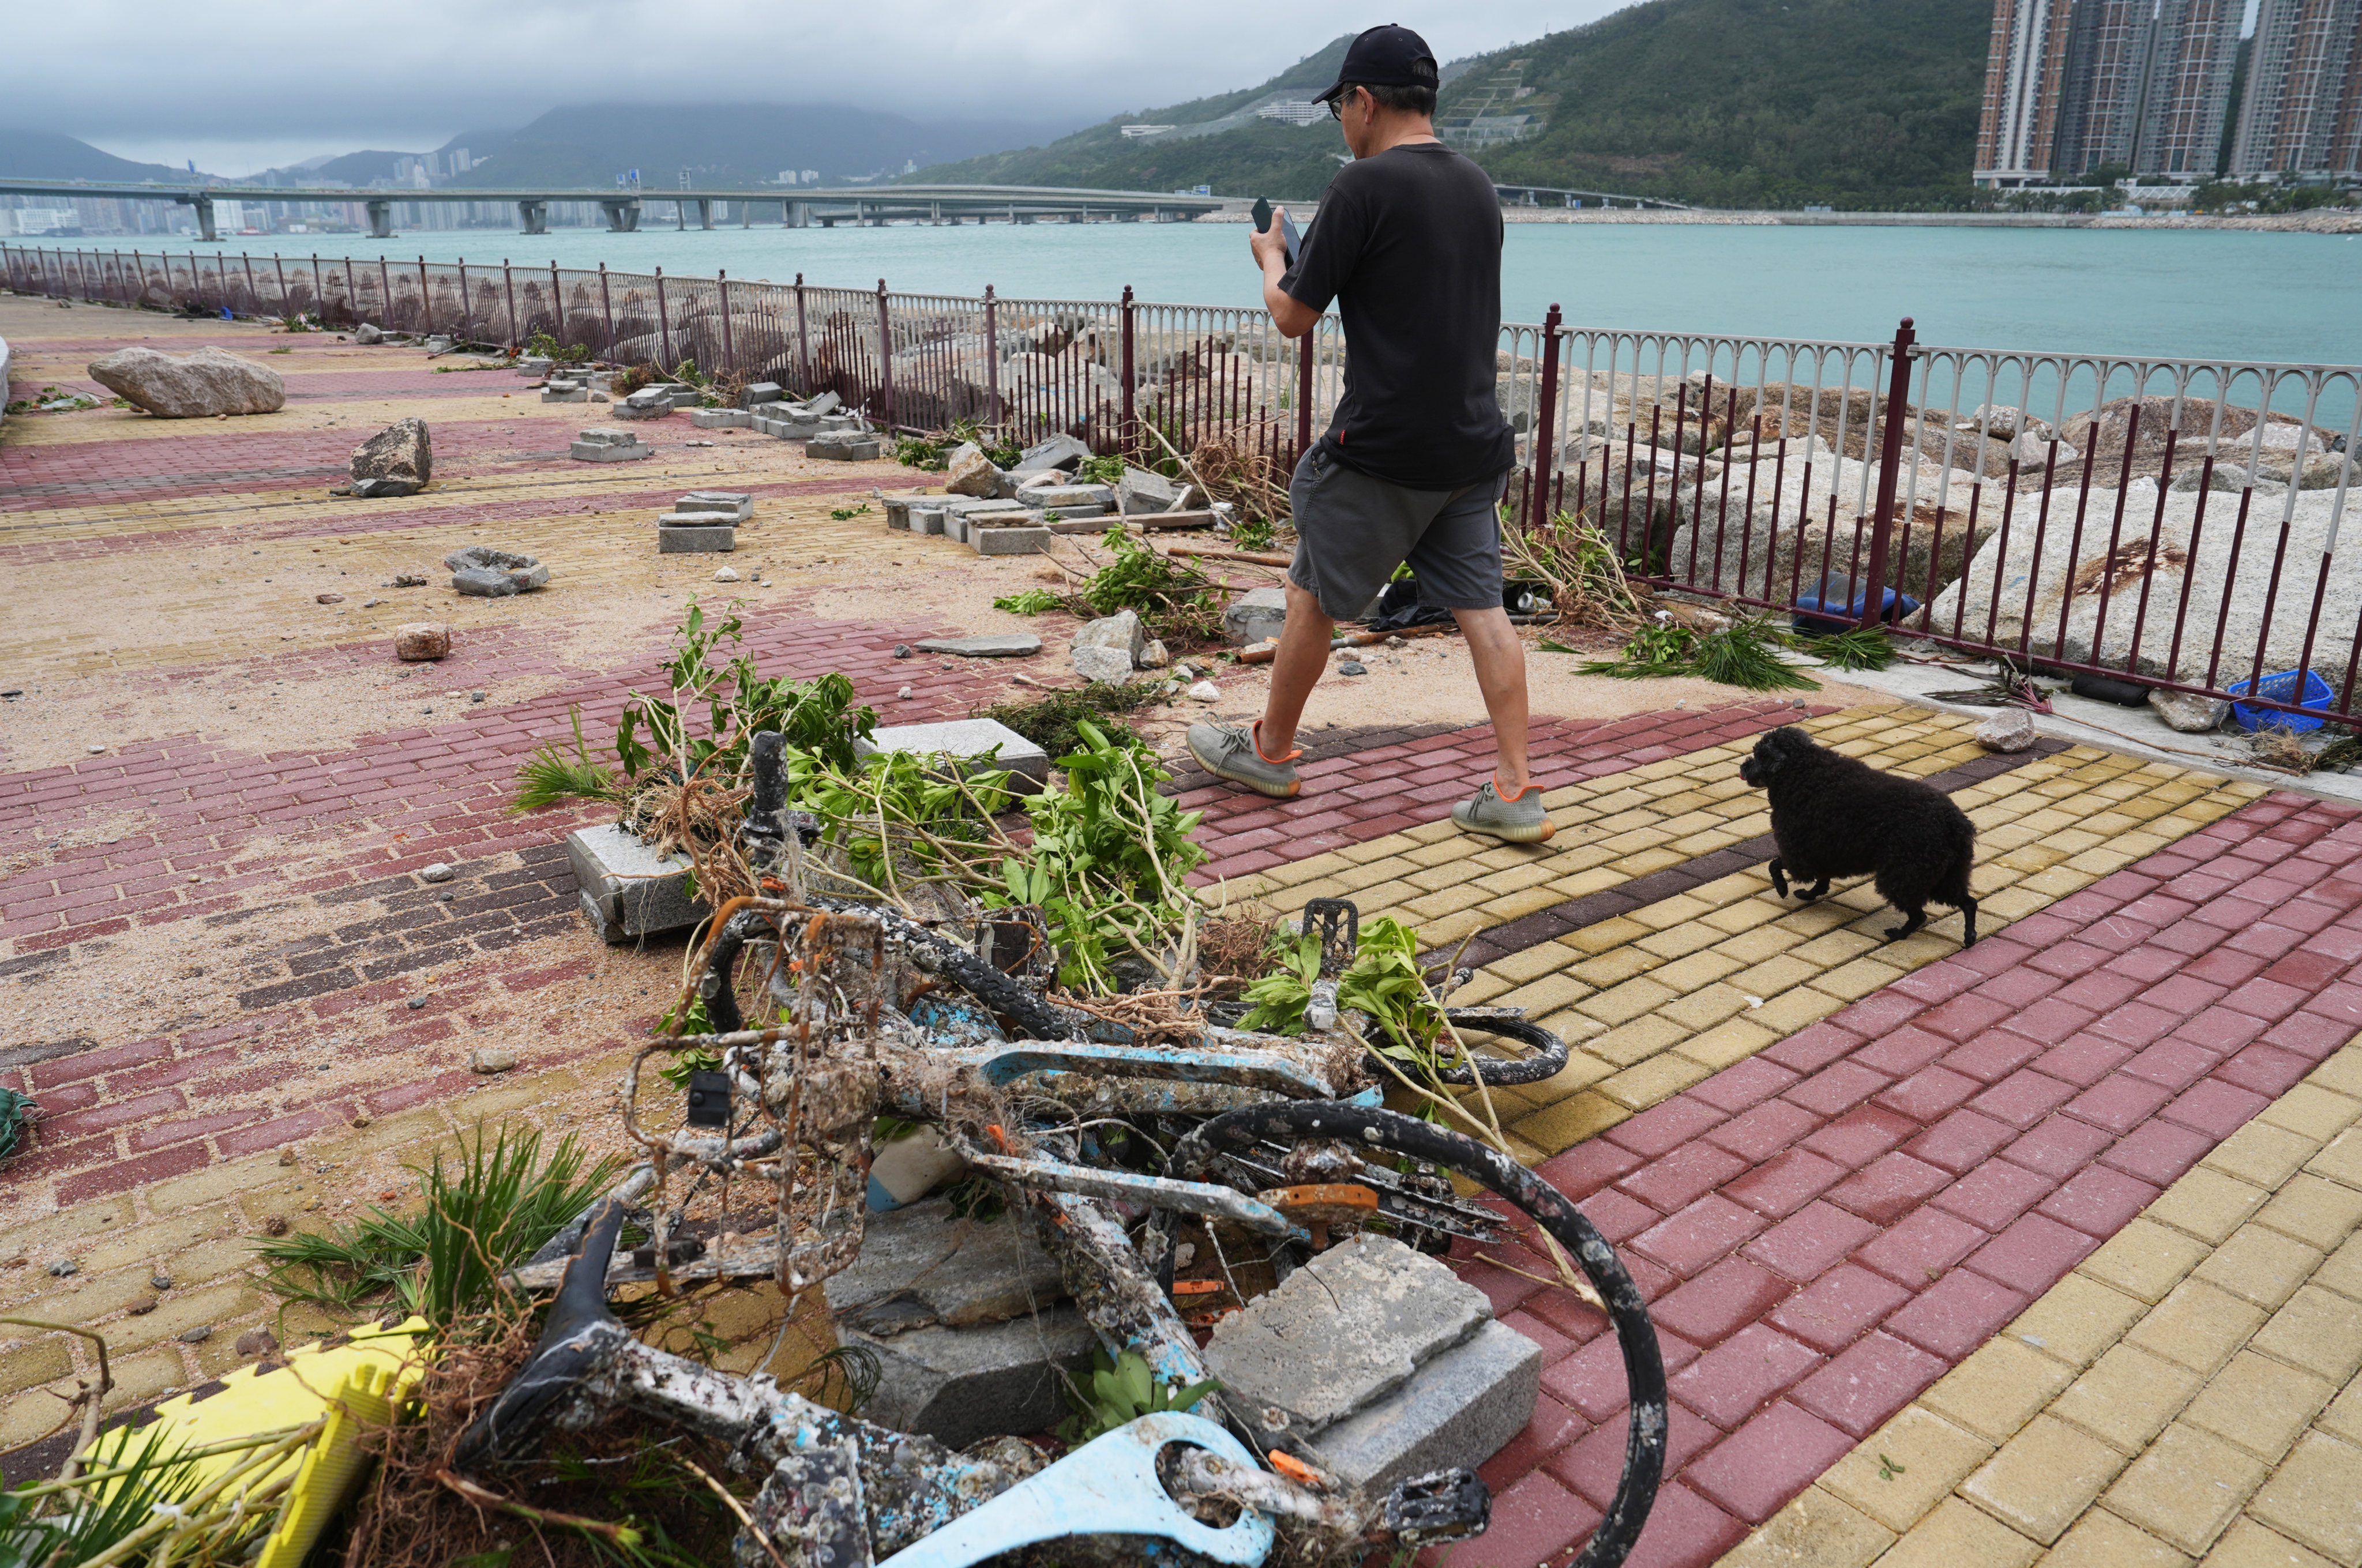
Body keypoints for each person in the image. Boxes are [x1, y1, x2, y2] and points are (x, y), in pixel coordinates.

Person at [1184, 24, 1550, 843]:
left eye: (1339, 108)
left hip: (1385, 447)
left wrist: (1272, 257)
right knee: (1483, 612)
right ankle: (1517, 792)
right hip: (1471, 441)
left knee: (1313, 597)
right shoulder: (1476, 185)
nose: (1341, 124)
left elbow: (1293, 317)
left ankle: (1270, 753)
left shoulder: (1361, 187)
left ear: (1364, 100)